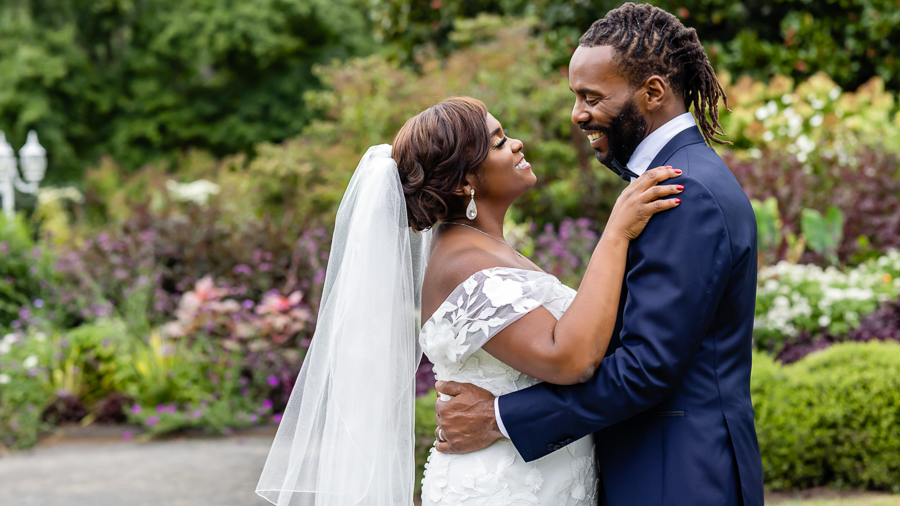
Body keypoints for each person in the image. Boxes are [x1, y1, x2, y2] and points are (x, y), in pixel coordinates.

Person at [256, 92, 682, 506]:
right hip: (504, 487)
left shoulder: (482, 249)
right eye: (498, 142)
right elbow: (569, 359)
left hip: (541, 475)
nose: (516, 143)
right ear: (464, 181)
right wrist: (616, 233)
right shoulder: (463, 264)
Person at [433, 3, 765, 506]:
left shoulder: (683, 191)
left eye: (592, 97)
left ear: (652, 92)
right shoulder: (666, 182)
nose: (578, 114)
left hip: (675, 477)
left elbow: (646, 368)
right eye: (575, 97)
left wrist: (500, 417)